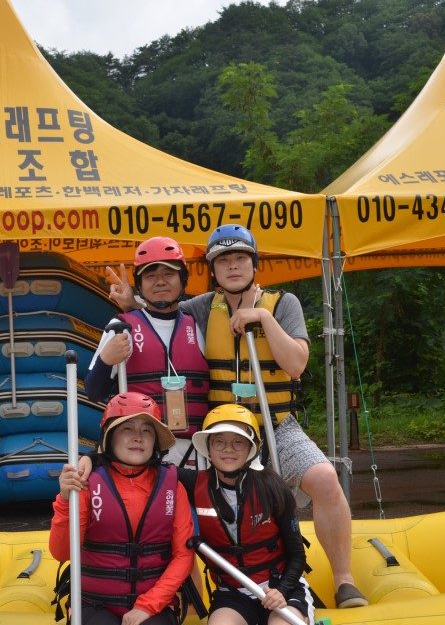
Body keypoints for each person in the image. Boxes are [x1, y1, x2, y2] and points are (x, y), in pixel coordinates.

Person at [106, 224, 367, 609]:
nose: (232, 266)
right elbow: (162, 313)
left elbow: (296, 365)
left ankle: (344, 580)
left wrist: (262, 317)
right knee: (197, 505)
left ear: (254, 263)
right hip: (222, 435)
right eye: (223, 260)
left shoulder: (284, 304)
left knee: (325, 478)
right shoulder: (200, 308)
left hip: (275, 425)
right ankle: (218, 587)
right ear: (212, 270)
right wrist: (133, 303)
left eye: (240, 258)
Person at [50, 392, 195, 625]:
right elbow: (62, 552)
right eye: (127, 429)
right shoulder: (85, 482)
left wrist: (149, 605)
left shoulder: (173, 486)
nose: (138, 437)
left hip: (155, 604)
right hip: (94, 603)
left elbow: (183, 555)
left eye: (147, 430)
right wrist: (66, 500)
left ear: (155, 441)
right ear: (110, 437)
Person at [184, 404, 314, 625]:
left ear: (250, 448)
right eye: (219, 441)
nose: (228, 449)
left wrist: (282, 590)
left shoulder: (272, 486)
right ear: (208, 447)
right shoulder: (193, 483)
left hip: (282, 588)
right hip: (233, 594)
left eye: (238, 442)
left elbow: (297, 555)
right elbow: (148, 470)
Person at [86, 236, 210, 467]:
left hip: (197, 454)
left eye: (169, 274)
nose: (160, 281)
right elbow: (93, 391)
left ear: (183, 279)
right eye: (151, 276)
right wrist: (105, 360)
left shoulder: (199, 325)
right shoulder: (121, 327)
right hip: (142, 454)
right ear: (140, 285)